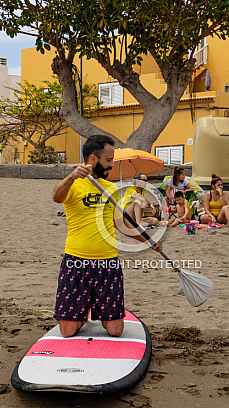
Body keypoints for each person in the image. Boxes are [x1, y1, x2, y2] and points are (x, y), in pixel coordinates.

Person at [52, 135, 162, 338]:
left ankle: (96, 311)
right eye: (108, 160)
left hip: (107, 263)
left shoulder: (110, 188)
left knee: (115, 331)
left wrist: (149, 241)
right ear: (93, 159)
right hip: (76, 261)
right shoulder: (73, 184)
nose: (112, 165)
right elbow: (56, 196)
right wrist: (71, 177)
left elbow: (122, 224)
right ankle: (80, 313)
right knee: (67, 332)